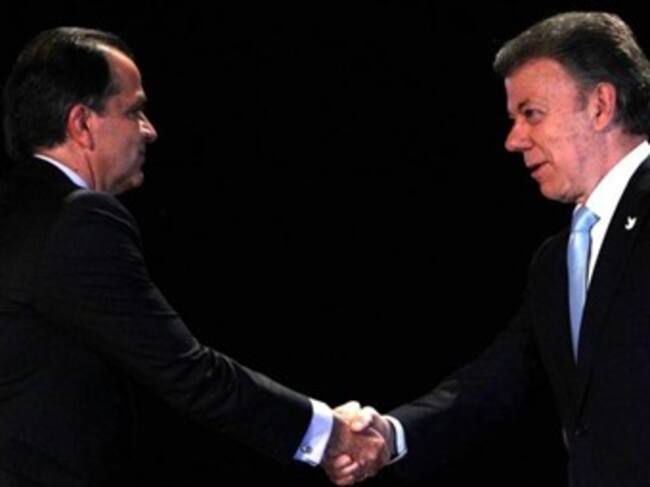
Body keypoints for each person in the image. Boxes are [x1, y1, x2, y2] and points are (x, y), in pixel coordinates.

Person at [0, 27, 388, 486]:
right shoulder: (77, 218)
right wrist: (329, 434)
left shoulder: (19, 209)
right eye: (134, 111)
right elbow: (184, 370)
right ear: (82, 124)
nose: (150, 130)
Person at [324, 11, 650, 487]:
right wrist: (390, 434)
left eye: (531, 114)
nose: (514, 140)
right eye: (514, 119)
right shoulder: (556, 261)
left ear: (600, 105)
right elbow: (500, 381)